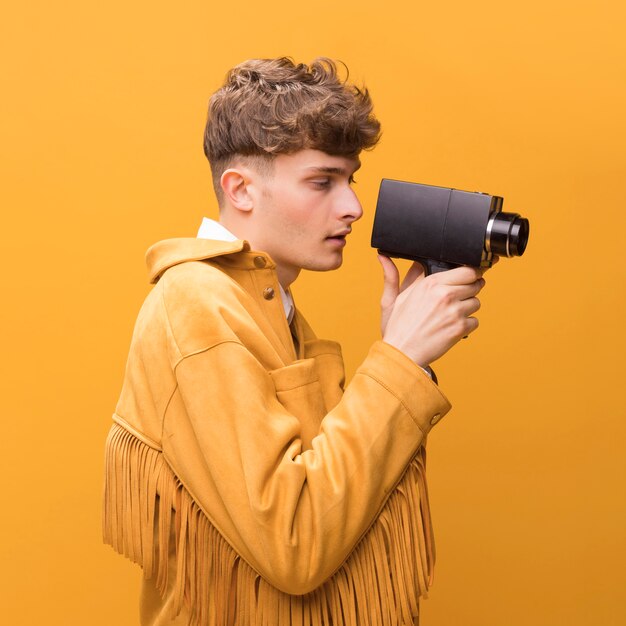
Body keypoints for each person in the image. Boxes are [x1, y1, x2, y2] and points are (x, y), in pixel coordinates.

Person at [103, 57, 486, 626]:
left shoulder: (268, 309)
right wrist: (399, 360)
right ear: (241, 190)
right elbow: (293, 542)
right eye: (322, 181)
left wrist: (411, 355)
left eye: (350, 179)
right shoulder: (195, 304)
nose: (353, 206)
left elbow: (332, 492)